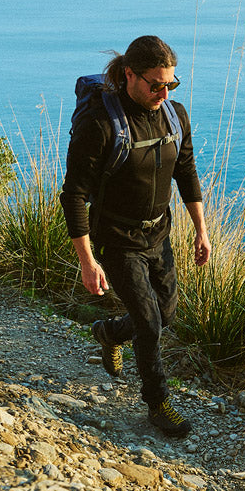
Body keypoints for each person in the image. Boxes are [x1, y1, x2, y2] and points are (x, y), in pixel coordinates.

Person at [60, 35, 211, 437]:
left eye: (171, 84)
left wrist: (201, 230)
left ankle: (109, 332)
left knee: (165, 315)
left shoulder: (174, 116)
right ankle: (158, 403)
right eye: (155, 84)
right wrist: (87, 261)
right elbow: (73, 195)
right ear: (129, 75)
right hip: (115, 237)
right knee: (148, 323)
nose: (163, 92)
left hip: (158, 234)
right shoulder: (100, 124)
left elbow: (187, 172)